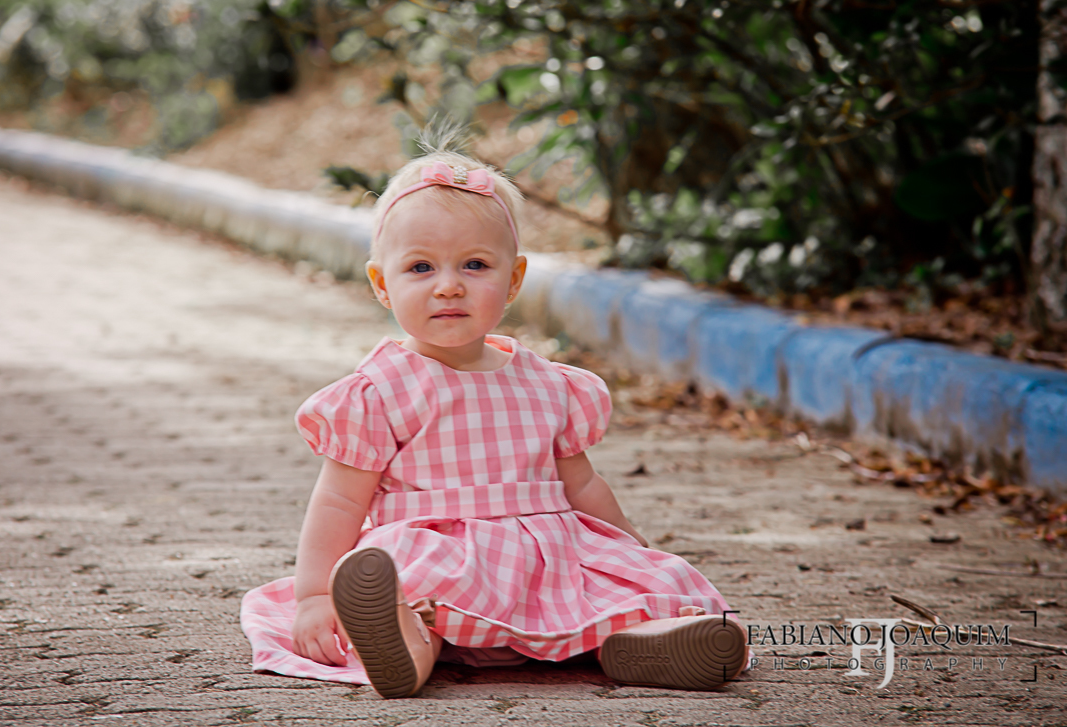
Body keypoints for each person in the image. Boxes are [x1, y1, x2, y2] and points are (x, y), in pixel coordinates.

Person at [240, 130, 748, 699]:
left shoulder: (550, 384)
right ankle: (405, 644)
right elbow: (339, 500)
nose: (449, 287)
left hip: (546, 560)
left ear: (513, 280)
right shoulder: (379, 392)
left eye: (475, 265)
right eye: (421, 268)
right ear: (382, 284)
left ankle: (644, 641)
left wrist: (633, 550)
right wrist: (314, 596)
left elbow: (583, 484)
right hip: (439, 554)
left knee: (623, 586)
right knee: (405, 581)